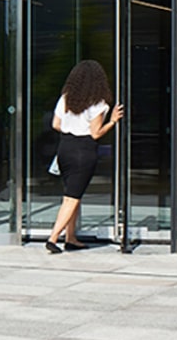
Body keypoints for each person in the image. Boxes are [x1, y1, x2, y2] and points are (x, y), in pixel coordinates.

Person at [45, 59, 122, 254]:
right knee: (71, 198)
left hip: (65, 148)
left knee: (73, 195)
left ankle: (71, 238)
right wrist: (112, 122)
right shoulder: (99, 104)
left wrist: (72, 127)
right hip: (83, 151)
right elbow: (95, 133)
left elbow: (55, 124)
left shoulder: (66, 99)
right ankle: (53, 238)